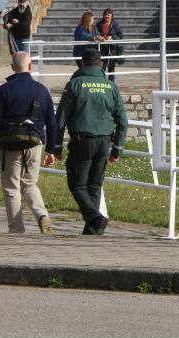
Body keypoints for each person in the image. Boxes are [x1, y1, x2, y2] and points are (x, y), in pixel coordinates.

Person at [54, 48, 128, 235]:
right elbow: (123, 121)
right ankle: (93, 229)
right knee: (95, 185)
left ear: (82, 63)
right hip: (104, 142)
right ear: (101, 64)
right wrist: (117, 149)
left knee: (77, 184)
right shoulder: (111, 87)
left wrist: (56, 147)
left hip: (82, 141)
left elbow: (60, 119)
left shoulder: (74, 85)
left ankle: (95, 218)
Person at [0, 51, 57, 234]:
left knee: (11, 187)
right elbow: (52, 123)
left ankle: (16, 229)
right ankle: (41, 215)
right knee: (30, 184)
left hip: (10, 146)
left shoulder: (5, 89)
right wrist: (51, 150)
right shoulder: (42, 90)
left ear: (12, 68)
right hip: (34, 143)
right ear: (30, 67)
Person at [95, 8, 124, 82]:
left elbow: (120, 35)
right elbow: (96, 34)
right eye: (105, 15)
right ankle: (102, 82)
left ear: (111, 16)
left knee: (111, 68)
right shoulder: (99, 24)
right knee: (102, 67)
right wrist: (101, 37)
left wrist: (112, 37)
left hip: (112, 49)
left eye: (108, 15)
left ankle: (111, 84)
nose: (107, 16)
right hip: (102, 48)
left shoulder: (115, 24)